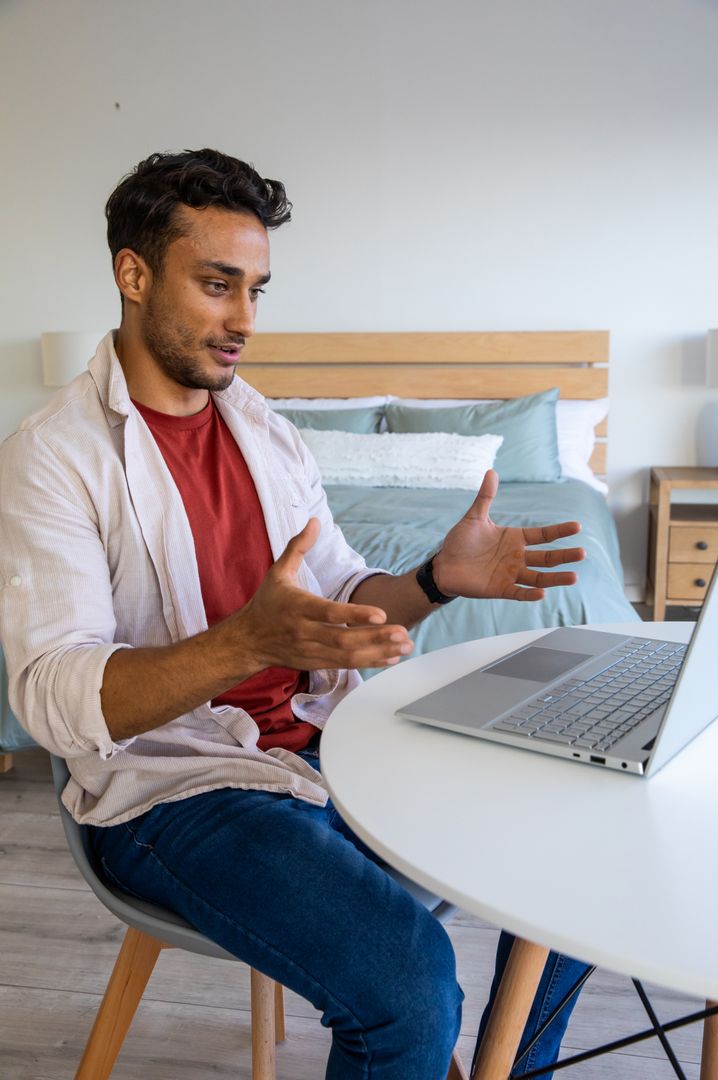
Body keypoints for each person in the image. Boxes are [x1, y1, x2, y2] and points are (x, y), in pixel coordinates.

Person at [0, 148, 590, 1079]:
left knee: (576, 850)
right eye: (217, 285)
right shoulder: (54, 457)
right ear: (133, 273)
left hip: (322, 740)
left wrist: (433, 579)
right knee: (407, 983)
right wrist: (245, 644)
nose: (243, 322)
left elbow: (345, 592)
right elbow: (53, 699)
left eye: (257, 291)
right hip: (176, 788)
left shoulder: (262, 428)